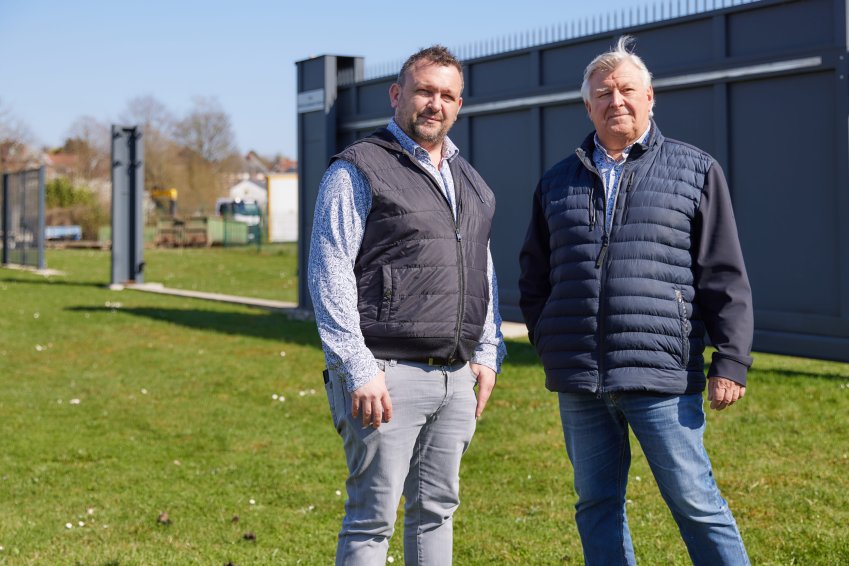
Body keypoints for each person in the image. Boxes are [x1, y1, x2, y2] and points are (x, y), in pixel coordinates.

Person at [519, 35, 752, 565]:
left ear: (650, 97)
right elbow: (534, 275)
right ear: (587, 106)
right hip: (581, 378)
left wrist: (732, 360)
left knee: (695, 503)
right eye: (603, 93)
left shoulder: (695, 170)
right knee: (596, 504)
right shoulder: (556, 182)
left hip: (661, 372)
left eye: (627, 89)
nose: (616, 101)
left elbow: (723, 273)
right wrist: (550, 339)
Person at [309, 45, 506, 566]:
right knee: (372, 520)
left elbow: (482, 269)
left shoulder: (471, 181)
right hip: (385, 375)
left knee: (437, 513)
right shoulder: (359, 168)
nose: (435, 104)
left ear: (459, 105)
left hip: (455, 377)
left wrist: (488, 353)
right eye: (424, 91)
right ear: (397, 94)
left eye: (447, 95)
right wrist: (358, 367)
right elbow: (329, 270)